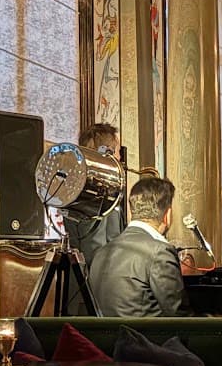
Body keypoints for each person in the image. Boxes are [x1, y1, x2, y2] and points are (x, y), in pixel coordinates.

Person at [90, 176, 191, 318]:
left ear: (133, 212)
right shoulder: (160, 253)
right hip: (144, 339)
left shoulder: (101, 252)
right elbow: (179, 316)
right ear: (167, 215)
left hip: (103, 339)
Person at [69, 122, 127, 266]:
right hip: (96, 281)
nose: (119, 159)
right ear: (107, 152)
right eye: (117, 151)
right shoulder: (95, 192)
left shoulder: (77, 187)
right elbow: (94, 249)